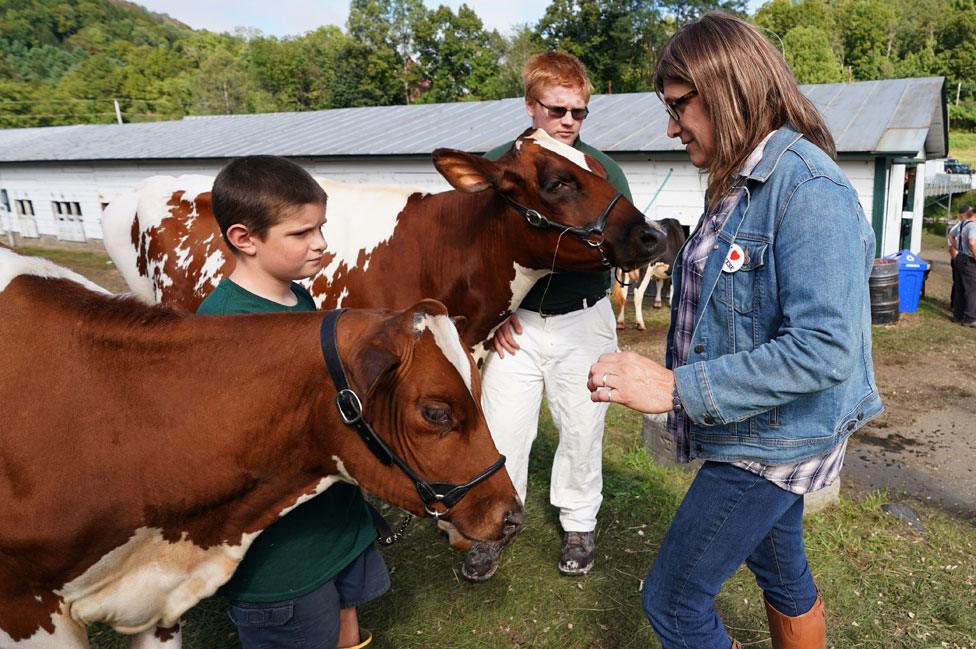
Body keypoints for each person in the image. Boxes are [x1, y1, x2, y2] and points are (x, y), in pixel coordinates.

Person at [586, 13, 883, 648]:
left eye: (678, 106)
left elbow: (827, 348)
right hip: (754, 424)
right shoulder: (739, 181)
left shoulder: (808, 189)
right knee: (780, 568)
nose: (670, 127)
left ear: (728, 87)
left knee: (673, 601)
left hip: (773, 439)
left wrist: (675, 387)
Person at [197, 155, 388, 649]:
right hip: (281, 556)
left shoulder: (296, 298)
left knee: (347, 615)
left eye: (320, 227)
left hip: (335, 522)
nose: (321, 243)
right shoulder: (222, 329)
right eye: (301, 233)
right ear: (245, 239)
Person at [461, 51, 632, 582]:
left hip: (584, 317)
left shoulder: (602, 169)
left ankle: (579, 524)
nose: (568, 122)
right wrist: (494, 316)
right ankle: (494, 524)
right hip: (518, 326)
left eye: (579, 112)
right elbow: (469, 252)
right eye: (557, 110)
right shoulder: (495, 167)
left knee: (581, 428)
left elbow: (622, 241)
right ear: (531, 106)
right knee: (502, 431)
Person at [949, 204, 976, 325]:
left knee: (959, 288)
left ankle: (957, 316)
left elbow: (951, 235)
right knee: (971, 289)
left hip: (960, 257)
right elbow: (972, 242)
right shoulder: (973, 226)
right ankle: (970, 318)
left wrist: (956, 247)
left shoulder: (961, 224)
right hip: (969, 259)